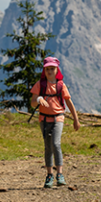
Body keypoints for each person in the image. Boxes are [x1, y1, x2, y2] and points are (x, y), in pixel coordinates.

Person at [30, 56, 80, 188]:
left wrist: (76, 119)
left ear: (57, 70)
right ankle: (49, 175)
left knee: (56, 144)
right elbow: (32, 103)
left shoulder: (61, 85)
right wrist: (39, 98)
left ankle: (60, 174)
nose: (50, 71)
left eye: (52, 68)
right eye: (47, 69)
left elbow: (69, 102)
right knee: (47, 147)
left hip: (58, 118)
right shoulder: (40, 85)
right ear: (44, 70)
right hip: (44, 119)